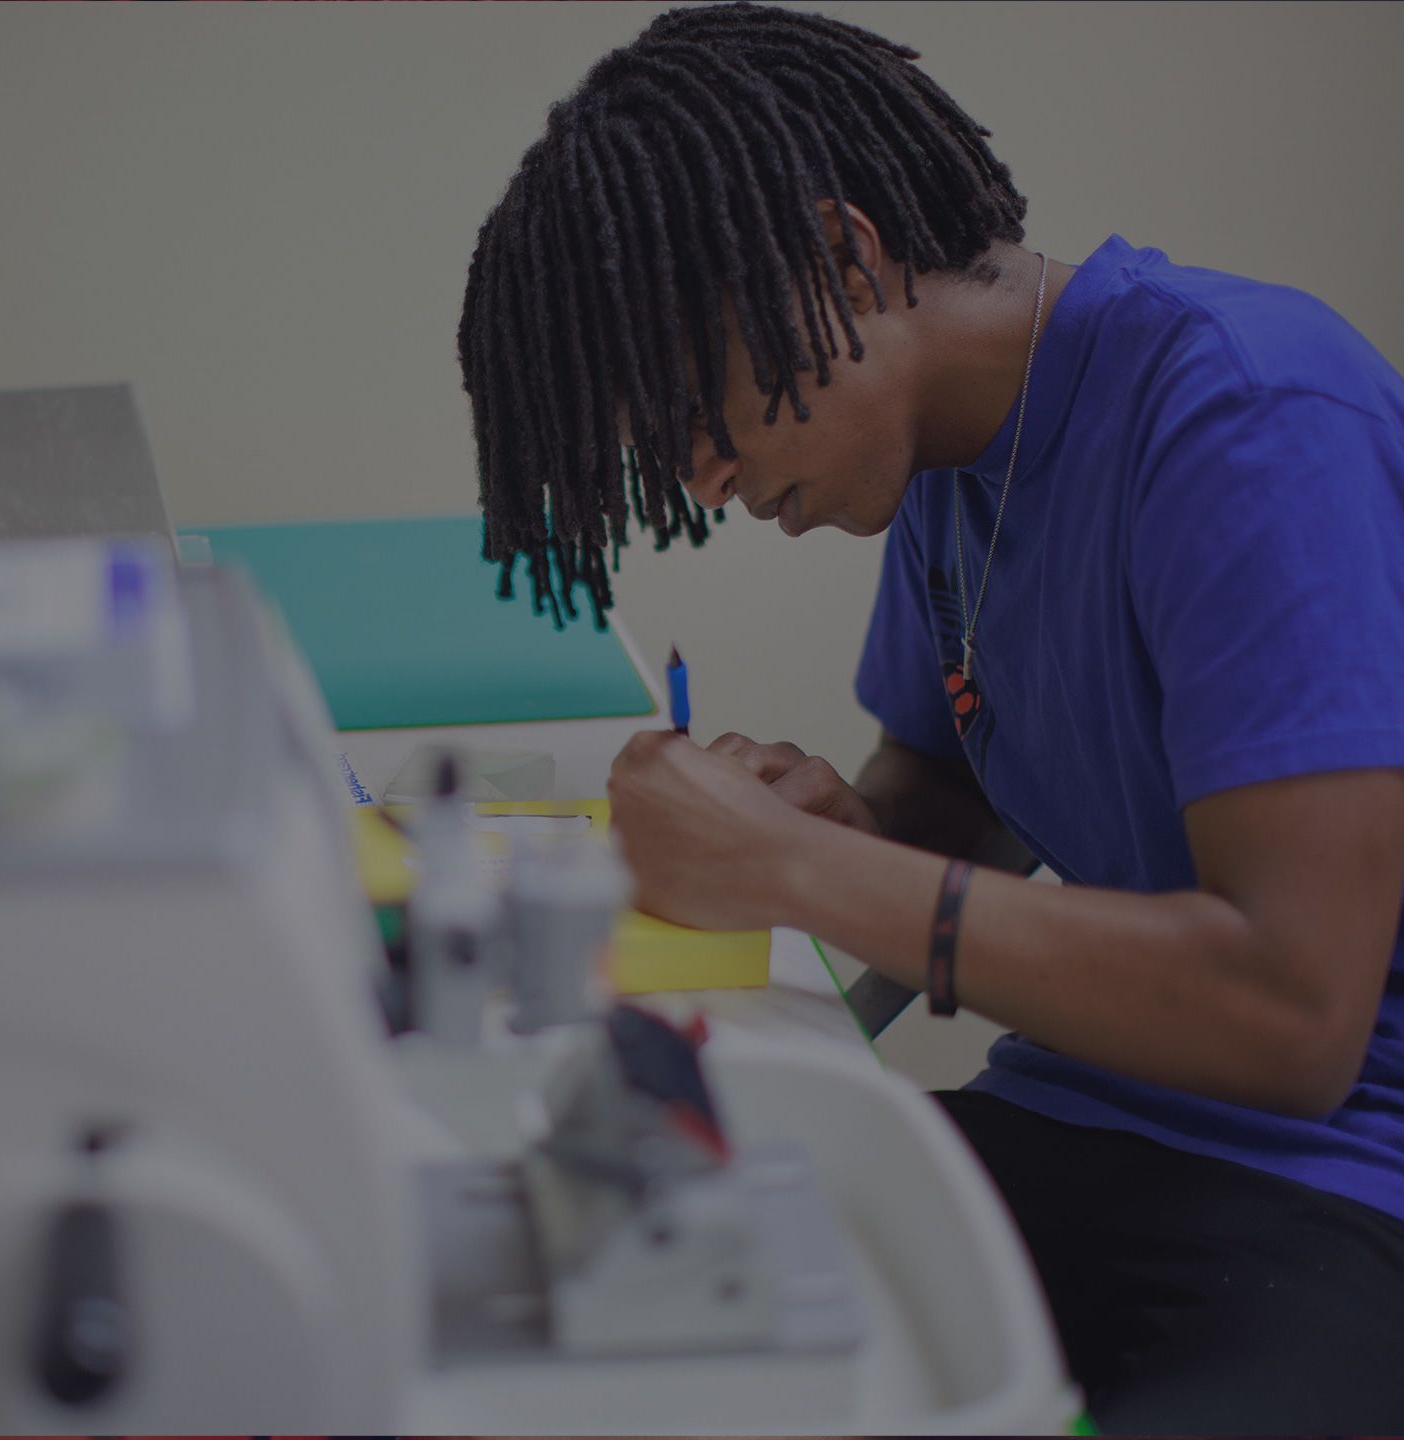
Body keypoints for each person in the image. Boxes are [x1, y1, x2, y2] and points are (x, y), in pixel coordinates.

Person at [455, 3, 1404, 1430]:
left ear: (844, 259)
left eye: (700, 415)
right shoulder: (950, 465)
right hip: (1076, 1111)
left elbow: (1294, 1015)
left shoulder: (1247, 416)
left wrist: (794, 869)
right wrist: (840, 818)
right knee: (597, 1315)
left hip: (1342, 1177)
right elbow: (951, 798)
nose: (704, 482)